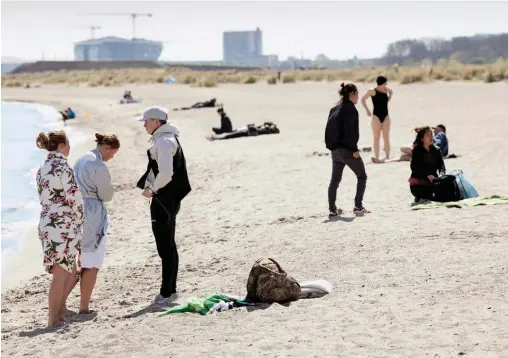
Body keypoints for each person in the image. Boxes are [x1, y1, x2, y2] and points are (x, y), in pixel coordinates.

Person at [136, 106, 191, 304]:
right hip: (168, 198)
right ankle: (170, 290)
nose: (144, 124)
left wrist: (153, 189)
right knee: (168, 244)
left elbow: (166, 173)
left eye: (146, 121)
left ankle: (167, 293)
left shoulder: (165, 141)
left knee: (165, 246)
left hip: (164, 199)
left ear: (157, 122)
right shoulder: (166, 138)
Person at [36, 130, 84, 327]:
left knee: (70, 269)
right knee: (60, 274)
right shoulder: (63, 167)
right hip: (62, 223)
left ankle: (61, 309)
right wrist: (81, 218)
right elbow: (74, 197)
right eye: (68, 143)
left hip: (47, 221)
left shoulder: (42, 167)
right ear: (62, 145)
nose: (70, 147)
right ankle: (52, 320)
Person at [73, 133, 120, 314]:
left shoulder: (81, 158)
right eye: (113, 153)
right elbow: (106, 194)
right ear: (106, 147)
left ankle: (61, 304)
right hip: (92, 210)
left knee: (79, 257)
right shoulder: (98, 164)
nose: (111, 157)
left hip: (77, 208)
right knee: (91, 261)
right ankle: (84, 307)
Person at [325, 83, 370, 217]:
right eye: (357, 95)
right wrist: (354, 149)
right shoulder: (351, 109)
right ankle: (358, 206)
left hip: (335, 151)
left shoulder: (334, 109)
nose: (358, 98)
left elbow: (329, 130)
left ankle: (332, 209)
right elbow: (351, 132)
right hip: (348, 150)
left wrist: (332, 148)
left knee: (335, 180)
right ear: (352, 94)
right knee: (362, 176)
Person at [361, 76, 394, 163]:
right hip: (376, 117)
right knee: (376, 137)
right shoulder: (372, 91)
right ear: (381, 84)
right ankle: (377, 157)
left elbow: (391, 92)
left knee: (386, 137)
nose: (386, 85)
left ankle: (387, 156)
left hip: (386, 117)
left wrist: (389, 97)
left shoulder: (386, 89)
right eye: (385, 83)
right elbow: (363, 99)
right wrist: (367, 111)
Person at [409, 126, 446, 202]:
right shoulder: (416, 151)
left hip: (433, 182)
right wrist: (427, 175)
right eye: (428, 135)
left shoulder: (436, 150)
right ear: (422, 139)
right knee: (431, 197)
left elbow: (441, 165)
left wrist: (441, 174)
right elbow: (415, 168)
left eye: (431, 135)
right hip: (418, 185)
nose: (431, 137)